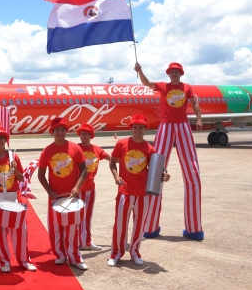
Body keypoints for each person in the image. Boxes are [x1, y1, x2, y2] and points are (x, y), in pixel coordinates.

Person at [135, 62, 204, 240]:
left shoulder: (187, 87)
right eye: (172, 72)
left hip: (183, 126)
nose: (174, 74)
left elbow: (195, 103)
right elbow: (147, 83)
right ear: (168, 74)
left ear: (180, 73)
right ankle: (150, 226)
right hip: (166, 126)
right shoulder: (163, 86)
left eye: (176, 72)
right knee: (156, 170)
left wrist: (199, 118)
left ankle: (194, 229)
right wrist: (140, 71)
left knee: (192, 171)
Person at [107, 115, 170, 266]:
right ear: (131, 128)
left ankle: (135, 251)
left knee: (139, 225)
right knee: (120, 224)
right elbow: (112, 162)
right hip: (125, 191)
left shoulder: (150, 149)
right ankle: (116, 253)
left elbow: (156, 171)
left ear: (145, 129)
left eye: (141, 127)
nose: (138, 130)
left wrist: (163, 176)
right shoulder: (121, 144)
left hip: (143, 193)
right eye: (135, 127)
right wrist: (116, 176)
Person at [37, 117, 88, 270]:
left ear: (66, 131)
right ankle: (60, 254)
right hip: (55, 197)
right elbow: (41, 175)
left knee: (72, 228)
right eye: (57, 130)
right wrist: (50, 191)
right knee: (56, 228)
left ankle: (74, 257)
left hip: (72, 196)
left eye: (62, 129)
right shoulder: (47, 151)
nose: (60, 132)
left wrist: (77, 187)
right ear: (52, 132)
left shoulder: (75, 148)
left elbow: (84, 169)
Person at [0, 127, 36, 273]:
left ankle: (24, 261)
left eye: (1, 138)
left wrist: (15, 168)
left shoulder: (14, 157)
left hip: (14, 198)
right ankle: (3, 262)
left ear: (6, 140)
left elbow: (21, 178)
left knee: (20, 231)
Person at [76, 123, 110, 251]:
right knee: (76, 217)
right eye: (81, 134)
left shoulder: (96, 149)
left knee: (87, 217)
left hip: (90, 188)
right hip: (77, 189)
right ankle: (75, 241)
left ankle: (85, 242)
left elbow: (112, 159)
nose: (83, 136)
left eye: (85, 134)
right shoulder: (76, 148)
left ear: (91, 135)